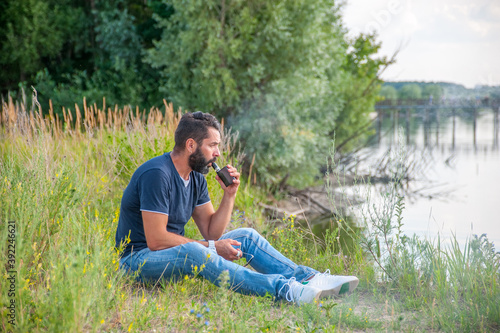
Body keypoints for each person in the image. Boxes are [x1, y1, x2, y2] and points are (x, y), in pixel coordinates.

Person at [115, 111, 359, 305]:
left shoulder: (196, 176)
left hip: (171, 256)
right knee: (197, 252)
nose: (218, 153)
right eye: (213, 145)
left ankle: (310, 278)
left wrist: (229, 195)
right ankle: (285, 290)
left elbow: (212, 233)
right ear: (191, 144)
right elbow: (156, 240)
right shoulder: (157, 174)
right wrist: (212, 248)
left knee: (245, 236)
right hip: (137, 260)